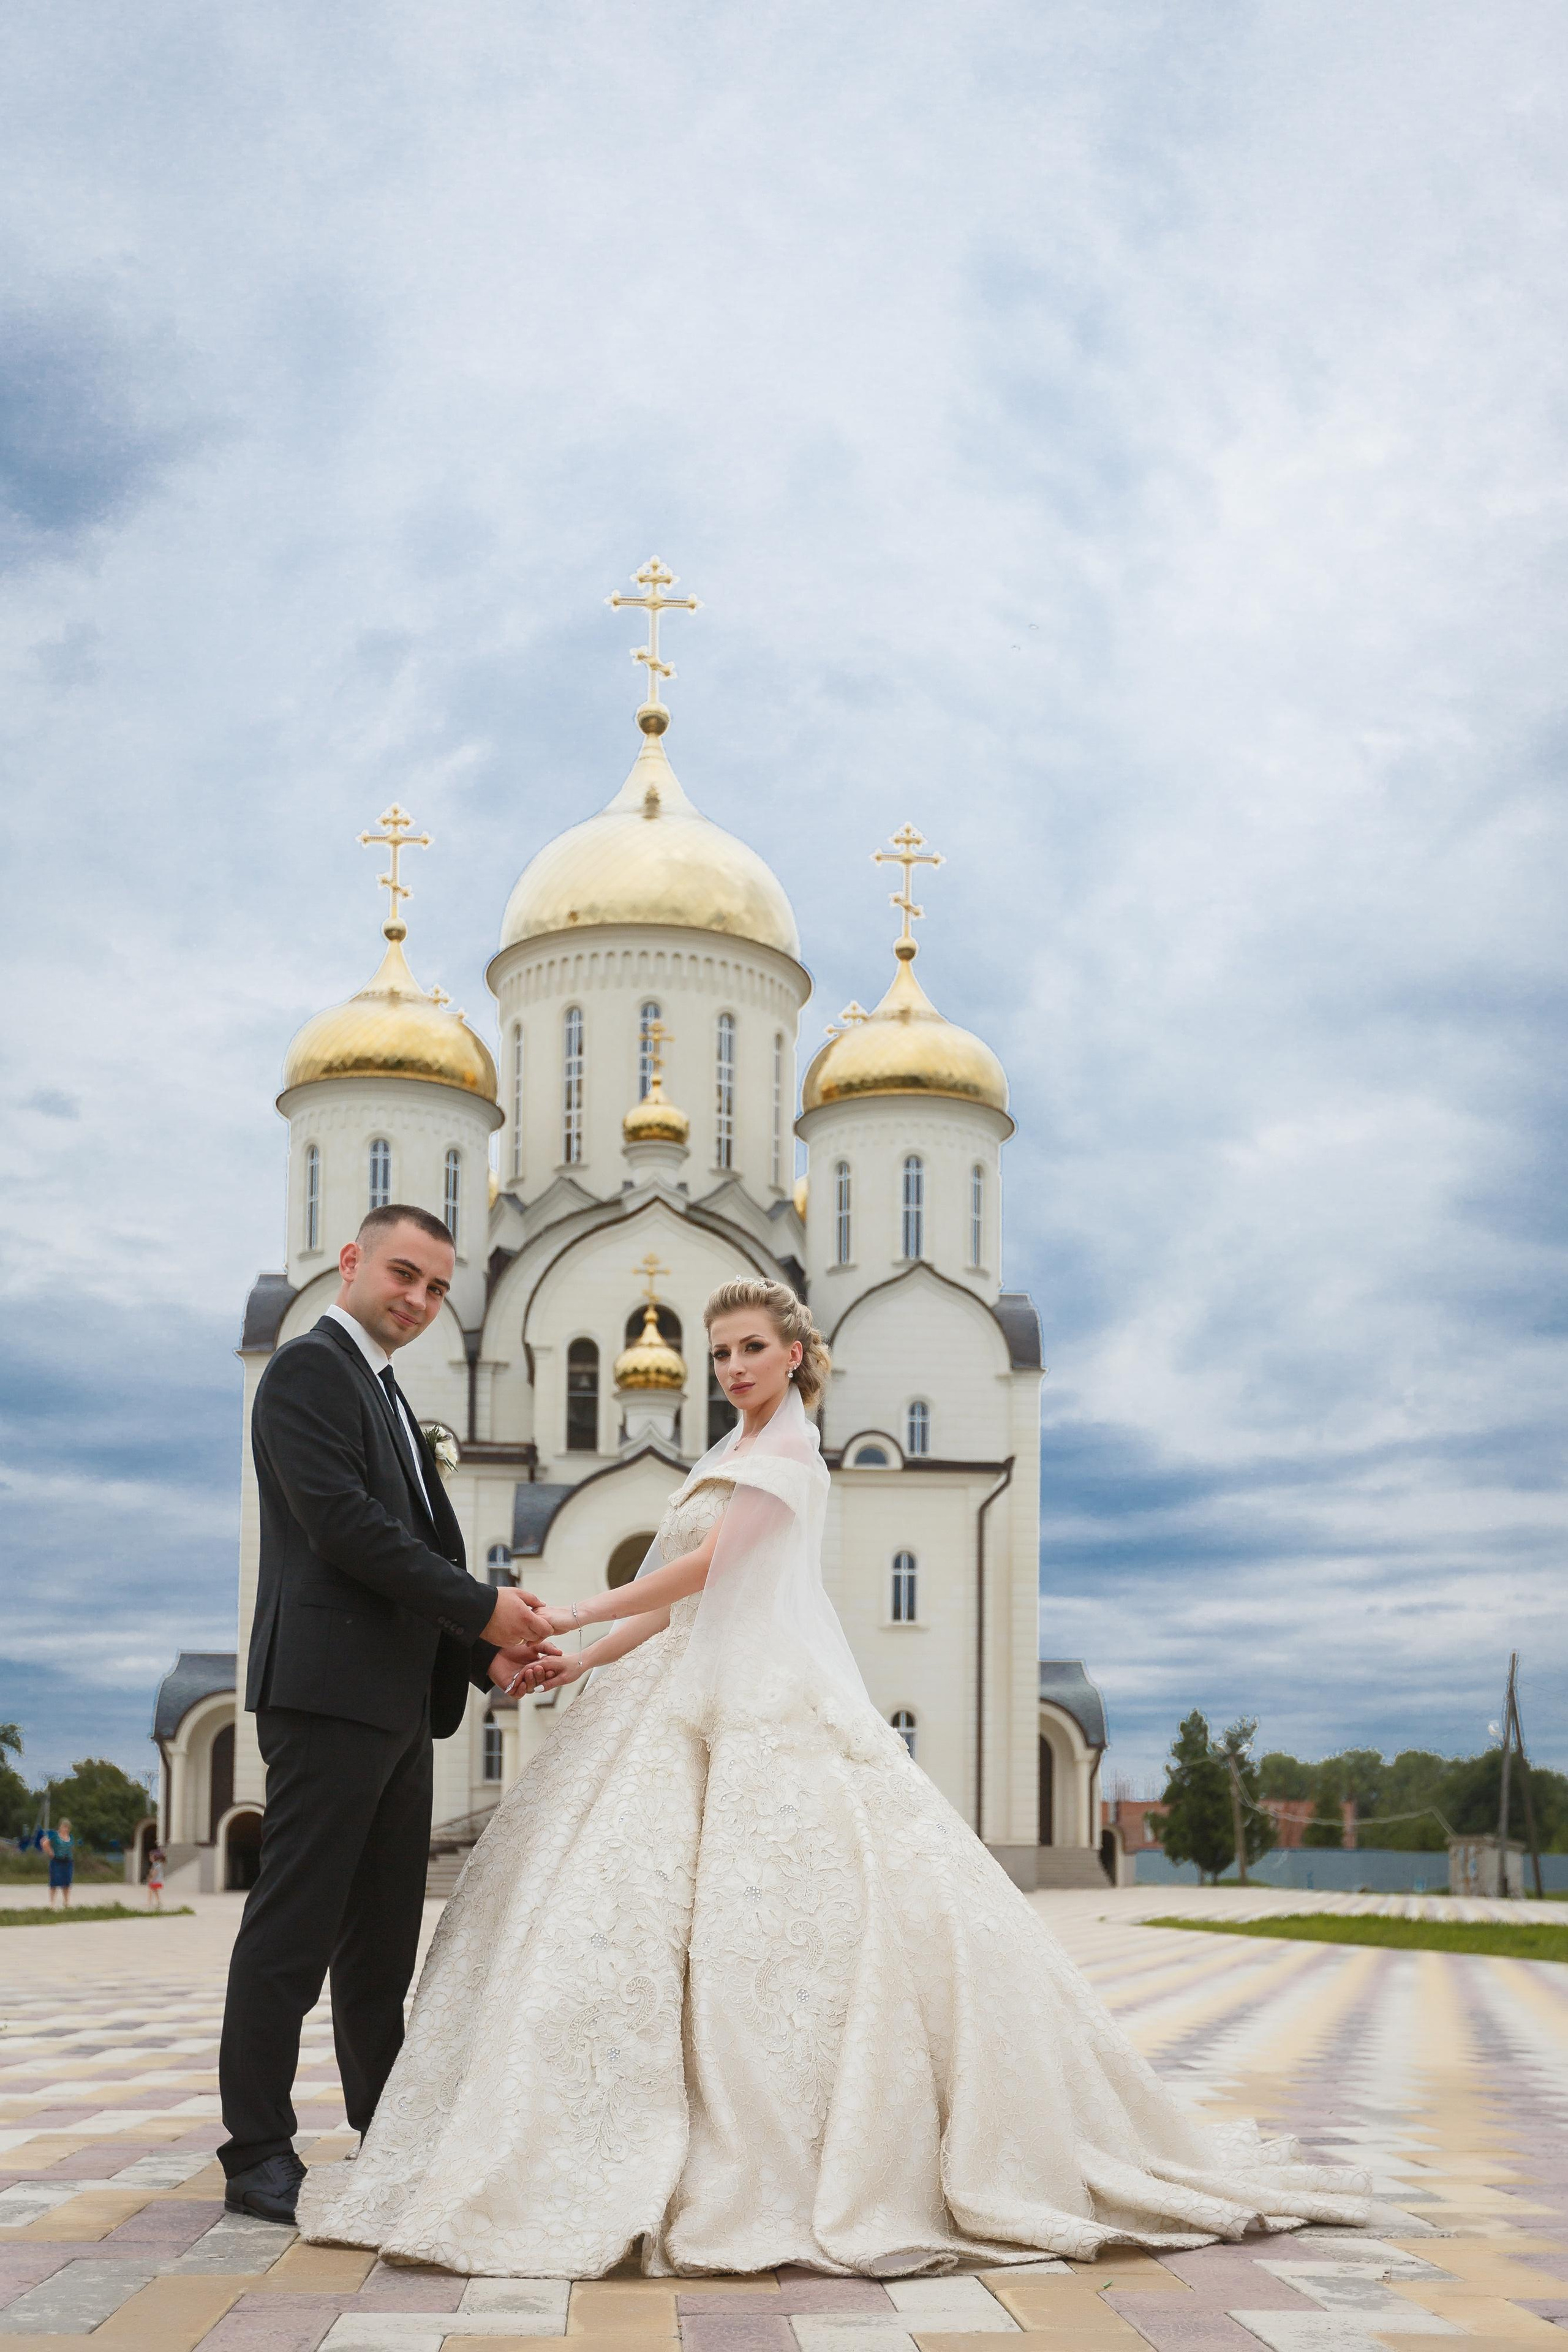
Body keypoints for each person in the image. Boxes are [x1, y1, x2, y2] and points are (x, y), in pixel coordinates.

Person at [303, 1276, 1366, 2278]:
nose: (730, 1365)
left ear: (798, 1355)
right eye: (718, 1352)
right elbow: (677, 1612)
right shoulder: (732, 1445)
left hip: (755, 1705)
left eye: (750, 1348)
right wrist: (579, 1662)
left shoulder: (796, 1454)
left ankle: (789, 2141)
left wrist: (576, 1609)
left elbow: (711, 1569)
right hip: (672, 1689)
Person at [217, 1204, 558, 2227]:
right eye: (404, 1276)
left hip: (399, 1705)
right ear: (353, 1262)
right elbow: (349, 1532)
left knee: (380, 1941)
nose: (417, 1300)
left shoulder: (391, 1396)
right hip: (326, 1695)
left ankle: (388, 2121)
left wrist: (483, 1651)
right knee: (295, 1927)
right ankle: (258, 2150)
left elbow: (417, 1557)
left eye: (437, 1289)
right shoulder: (310, 1372)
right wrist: (485, 1607)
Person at [45, 1819, 74, 1910]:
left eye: (67, 1827)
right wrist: (50, 1852)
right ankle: (52, 1903)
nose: (66, 1829)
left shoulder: (71, 1837)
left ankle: (66, 1902)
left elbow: (71, 1847)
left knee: (67, 1882)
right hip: (57, 1861)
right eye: (64, 1827)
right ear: (60, 1827)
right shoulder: (55, 1836)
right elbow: (45, 1843)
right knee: (54, 1882)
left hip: (67, 1861)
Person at [146, 1846, 166, 1912]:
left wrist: (151, 1879)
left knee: (150, 1890)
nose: (150, 1858)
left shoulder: (156, 1864)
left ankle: (149, 1902)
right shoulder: (158, 1864)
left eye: (151, 1857)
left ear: (155, 1858)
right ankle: (158, 1902)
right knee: (155, 1891)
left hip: (155, 1880)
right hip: (158, 1880)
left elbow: (155, 1872)